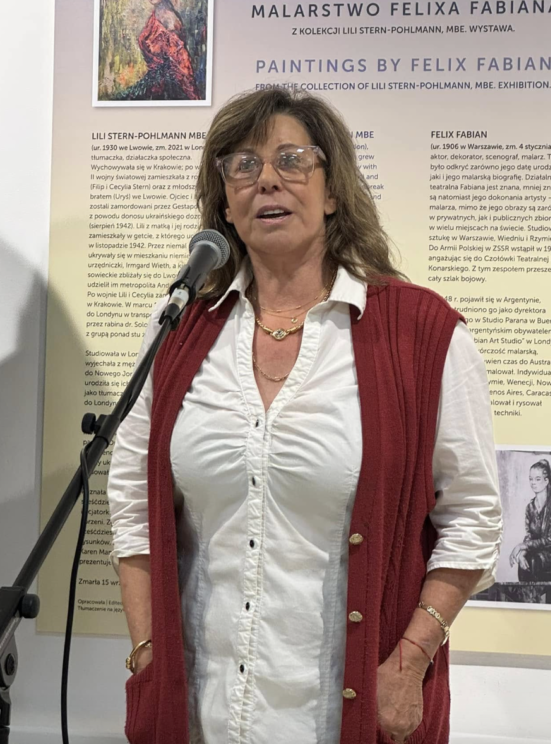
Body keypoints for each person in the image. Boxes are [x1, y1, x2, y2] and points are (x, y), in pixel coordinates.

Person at [107, 88, 502, 744]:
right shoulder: (178, 326)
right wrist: (148, 650)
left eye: (291, 160)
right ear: (225, 203)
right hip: (201, 716)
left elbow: (474, 517)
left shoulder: (423, 335)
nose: (266, 179)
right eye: (243, 165)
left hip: (344, 716)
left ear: (333, 191)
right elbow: (131, 497)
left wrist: (410, 661)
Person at [115, 0, 200, 101]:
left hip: (166, 93)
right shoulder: (157, 14)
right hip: (152, 86)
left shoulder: (170, 23)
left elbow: (184, 74)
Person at [509, 459, 551, 581]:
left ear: (546, 481)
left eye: (537, 479)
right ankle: (525, 593)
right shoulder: (530, 507)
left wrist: (521, 546)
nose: (533, 483)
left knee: (534, 561)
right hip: (538, 551)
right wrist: (522, 553)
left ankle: (536, 593)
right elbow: (529, 536)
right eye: (531, 479)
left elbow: (550, 541)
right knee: (524, 562)